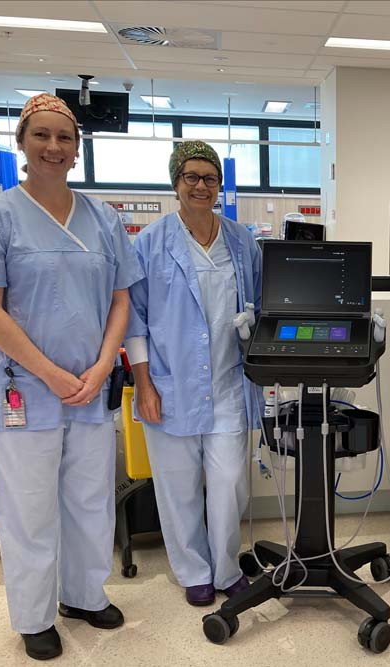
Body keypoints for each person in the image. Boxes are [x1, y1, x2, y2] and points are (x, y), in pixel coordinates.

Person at [0, 93, 142, 661]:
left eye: (64, 138)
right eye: (41, 136)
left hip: (90, 387)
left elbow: (121, 300)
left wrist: (104, 362)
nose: (53, 148)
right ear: (22, 143)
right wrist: (52, 374)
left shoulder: (103, 217)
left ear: (77, 149)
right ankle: (34, 617)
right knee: (29, 509)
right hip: (27, 391)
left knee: (90, 502)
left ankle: (83, 595)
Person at [125, 140, 263, 608]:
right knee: (177, 486)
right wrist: (143, 385)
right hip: (169, 385)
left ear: (220, 185)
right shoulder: (148, 243)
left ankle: (226, 568)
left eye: (210, 178)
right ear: (176, 184)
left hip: (228, 383)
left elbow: (260, 306)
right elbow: (134, 321)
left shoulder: (242, 241)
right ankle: (193, 571)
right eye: (192, 177)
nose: (201, 186)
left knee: (228, 485)